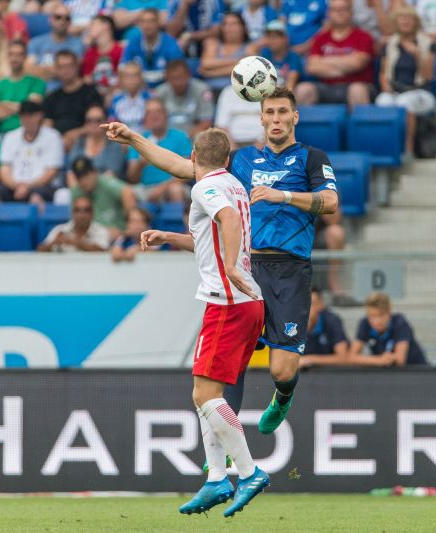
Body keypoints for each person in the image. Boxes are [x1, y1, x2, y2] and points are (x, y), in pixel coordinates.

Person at [103, 85, 340, 436]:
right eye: (270, 113)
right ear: (260, 118)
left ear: (295, 117)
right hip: (247, 268)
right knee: (232, 361)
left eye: (282, 112)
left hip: (290, 271)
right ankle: (227, 446)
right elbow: (183, 166)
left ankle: (284, 395)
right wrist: (134, 138)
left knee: (282, 371)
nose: (276, 119)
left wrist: (284, 195)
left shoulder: (311, 158)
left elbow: (331, 201)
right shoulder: (243, 161)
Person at [137, 128, 269, 515]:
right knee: (209, 395)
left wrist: (228, 266)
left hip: (227, 303)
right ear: (227, 159)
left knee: (203, 397)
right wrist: (169, 237)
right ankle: (215, 479)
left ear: (194, 156)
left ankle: (248, 472)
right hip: (248, 303)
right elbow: (214, 234)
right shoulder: (234, 184)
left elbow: (227, 221)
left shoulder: (204, 188)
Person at [376, 5, 436, 154]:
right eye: (402, 18)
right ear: (395, 22)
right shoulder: (390, 44)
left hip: (421, 92)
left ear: (415, 21)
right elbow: (383, 73)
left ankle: (408, 148)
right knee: (382, 101)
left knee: (405, 102)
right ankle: (388, 148)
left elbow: (428, 76)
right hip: (395, 90)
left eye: (409, 18)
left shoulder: (427, 43)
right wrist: (386, 88)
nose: (405, 21)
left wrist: (417, 56)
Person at [294, 0, 375, 109]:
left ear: (351, 12)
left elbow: (357, 64)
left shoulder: (363, 36)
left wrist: (324, 61)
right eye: (335, 10)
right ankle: (302, 126)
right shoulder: (320, 38)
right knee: (303, 89)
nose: (339, 13)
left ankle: (361, 126)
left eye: (343, 10)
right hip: (326, 86)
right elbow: (312, 67)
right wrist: (346, 65)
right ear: (329, 13)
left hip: (356, 84)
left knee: (357, 90)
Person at [0, 100, 64, 204]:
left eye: (31, 115)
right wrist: (17, 186)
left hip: (41, 185)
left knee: (36, 197)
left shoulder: (53, 137)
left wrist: (28, 186)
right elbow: (4, 169)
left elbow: (51, 171)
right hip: (14, 185)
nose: (27, 119)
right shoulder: (10, 137)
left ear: (39, 115)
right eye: (24, 116)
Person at [126, 98, 192, 203]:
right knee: (127, 192)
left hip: (171, 187)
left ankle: (177, 220)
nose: (154, 116)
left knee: (176, 190)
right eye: (149, 113)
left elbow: (189, 171)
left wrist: (162, 188)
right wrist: (139, 164)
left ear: (166, 115)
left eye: (158, 111)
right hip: (145, 188)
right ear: (145, 118)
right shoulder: (137, 139)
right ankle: (136, 219)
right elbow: (132, 178)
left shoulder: (180, 137)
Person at [43, 49, 103, 150]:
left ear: (76, 66)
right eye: (61, 67)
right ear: (56, 69)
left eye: (69, 66)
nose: (65, 70)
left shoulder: (90, 92)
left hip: (85, 142)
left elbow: (98, 122)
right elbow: (47, 125)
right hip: (57, 144)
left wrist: (74, 134)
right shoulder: (52, 97)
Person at [349, 291, 427, 366]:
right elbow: (352, 357)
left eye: (381, 315)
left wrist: (382, 360)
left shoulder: (400, 323)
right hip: (386, 373)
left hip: (416, 371)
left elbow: (400, 360)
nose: (377, 321)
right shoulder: (365, 323)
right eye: (372, 316)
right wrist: (379, 360)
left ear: (389, 312)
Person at [69, 156, 136, 240]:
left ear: (94, 172)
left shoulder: (106, 183)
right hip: (93, 235)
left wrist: (128, 227)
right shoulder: (76, 192)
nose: (83, 180)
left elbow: (127, 192)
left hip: (117, 234)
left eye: (86, 175)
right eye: (79, 177)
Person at [0, 40, 47, 133]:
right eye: (11, 54)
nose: (14, 58)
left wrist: (4, 104)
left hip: (29, 131)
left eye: (19, 55)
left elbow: (31, 109)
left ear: (25, 57)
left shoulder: (37, 82)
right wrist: (21, 107)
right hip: (3, 133)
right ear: (7, 57)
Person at [25, 4, 85, 91]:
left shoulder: (77, 44)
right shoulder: (36, 42)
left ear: (70, 22)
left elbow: (72, 72)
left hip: (65, 93)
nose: (62, 21)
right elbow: (28, 70)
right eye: (58, 17)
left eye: (67, 18)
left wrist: (40, 70)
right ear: (50, 20)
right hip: (38, 92)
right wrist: (59, 70)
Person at [122, 8, 184, 88]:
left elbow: (177, 72)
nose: (147, 25)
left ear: (158, 23)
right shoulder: (133, 43)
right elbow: (123, 69)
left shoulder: (170, 44)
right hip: (140, 89)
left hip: (165, 89)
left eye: (151, 21)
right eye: (143, 21)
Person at [67, 104, 128, 184]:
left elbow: (112, 174)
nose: (93, 124)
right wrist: (78, 194)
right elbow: (71, 173)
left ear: (106, 122)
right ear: (85, 123)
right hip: (80, 190)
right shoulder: (79, 143)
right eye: (89, 120)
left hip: (106, 190)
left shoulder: (114, 144)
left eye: (98, 120)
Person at [154, 59, 214, 138]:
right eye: (173, 78)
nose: (177, 83)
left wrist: (183, 137)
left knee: (201, 136)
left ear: (188, 75)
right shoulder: (160, 92)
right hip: (166, 135)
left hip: (192, 134)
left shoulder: (202, 90)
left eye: (180, 77)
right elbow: (154, 121)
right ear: (167, 77)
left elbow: (206, 122)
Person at [198, 12, 257, 90]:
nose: (229, 28)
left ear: (243, 28)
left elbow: (247, 69)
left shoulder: (250, 47)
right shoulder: (213, 43)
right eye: (225, 24)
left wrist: (211, 73)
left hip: (236, 93)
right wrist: (238, 61)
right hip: (210, 90)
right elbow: (206, 63)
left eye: (233, 24)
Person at [298, 287, 350, 368]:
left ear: (320, 305)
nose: (306, 309)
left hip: (331, 374)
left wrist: (309, 359)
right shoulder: (290, 324)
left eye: (311, 303)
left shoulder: (332, 321)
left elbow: (343, 357)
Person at [38, 194, 109, 252]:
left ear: (92, 213)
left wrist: (77, 243)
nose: (82, 215)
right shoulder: (60, 229)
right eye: (77, 210)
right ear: (72, 213)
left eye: (86, 210)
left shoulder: (101, 231)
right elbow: (39, 251)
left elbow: (103, 251)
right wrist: (53, 243)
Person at [81, 14, 124, 100]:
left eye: (93, 24)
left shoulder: (121, 51)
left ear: (106, 25)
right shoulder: (90, 53)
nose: (89, 28)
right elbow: (86, 79)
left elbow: (124, 78)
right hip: (95, 97)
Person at [108, 61, 151, 134]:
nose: (131, 79)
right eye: (127, 76)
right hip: (122, 142)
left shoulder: (150, 99)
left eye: (135, 75)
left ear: (140, 78)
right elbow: (112, 126)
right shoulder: (115, 100)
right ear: (122, 79)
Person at [259, 20, 302, 92]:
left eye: (276, 37)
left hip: (286, 96)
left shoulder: (293, 57)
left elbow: (290, 87)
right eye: (268, 37)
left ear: (286, 39)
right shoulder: (264, 54)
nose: (272, 40)